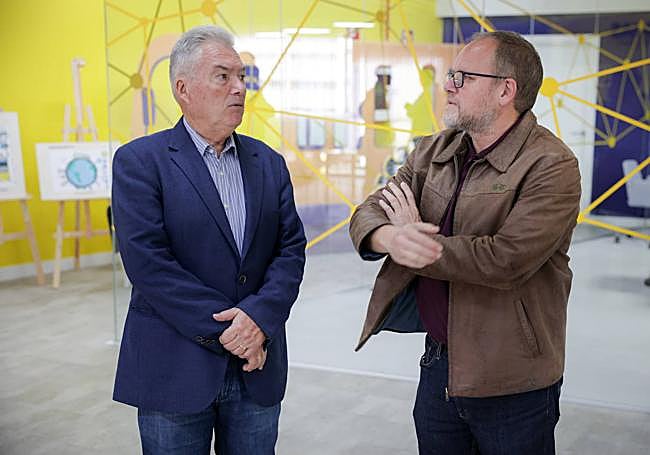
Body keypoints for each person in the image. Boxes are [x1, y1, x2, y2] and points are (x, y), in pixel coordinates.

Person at [349, 31, 581, 454]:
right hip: (439, 364)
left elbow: (505, 259)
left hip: (513, 379)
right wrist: (392, 237)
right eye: (451, 75)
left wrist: (420, 247)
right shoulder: (434, 150)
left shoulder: (552, 165)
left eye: (463, 77)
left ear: (505, 91)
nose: (448, 85)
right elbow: (371, 209)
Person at [111, 25, 306, 454]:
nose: (239, 87)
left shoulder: (269, 162)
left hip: (256, 366)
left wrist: (258, 320)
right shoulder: (140, 162)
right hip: (175, 367)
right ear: (183, 89)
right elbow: (149, 265)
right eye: (223, 76)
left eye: (241, 76)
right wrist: (236, 332)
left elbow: (290, 251)